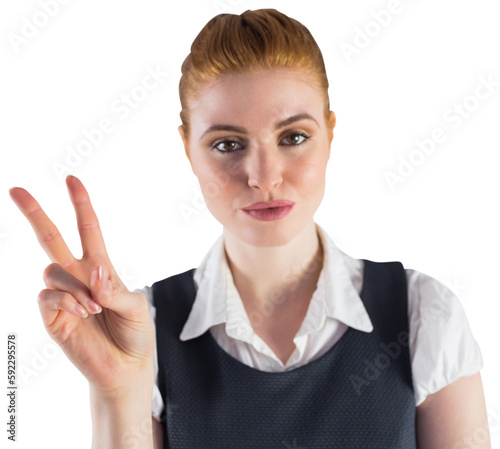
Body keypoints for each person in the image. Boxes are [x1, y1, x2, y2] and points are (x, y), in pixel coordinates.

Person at [8, 8, 491, 449]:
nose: (264, 177)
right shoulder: (140, 332)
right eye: (227, 145)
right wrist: (117, 390)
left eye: (294, 137)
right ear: (187, 149)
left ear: (330, 135)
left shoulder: (424, 316)